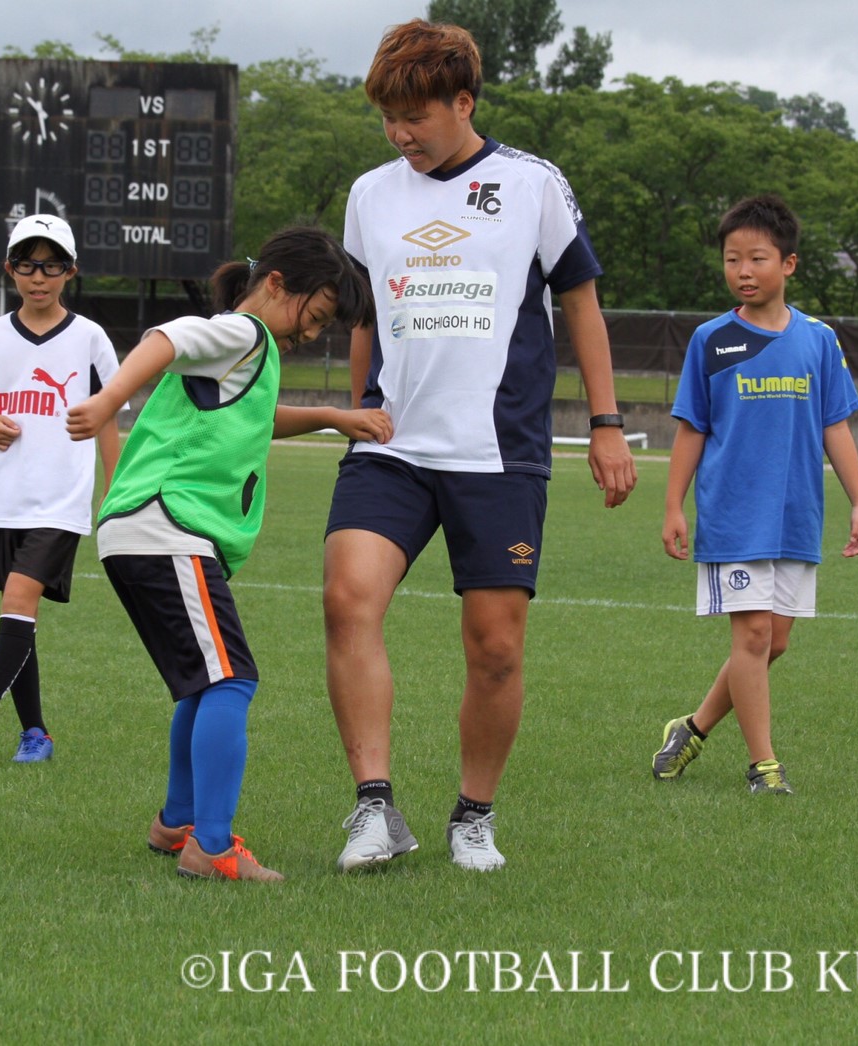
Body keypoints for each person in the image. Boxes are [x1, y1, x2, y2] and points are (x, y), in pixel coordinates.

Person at [324, 19, 638, 874]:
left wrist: (605, 424)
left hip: (498, 450)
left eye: (415, 116)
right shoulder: (369, 195)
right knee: (349, 600)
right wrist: (357, 411)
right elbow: (361, 317)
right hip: (390, 443)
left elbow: (581, 305)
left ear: (463, 102)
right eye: (388, 119)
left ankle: (473, 815)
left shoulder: (532, 184)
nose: (400, 135)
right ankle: (375, 808)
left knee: (495, 646)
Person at [66, 227, 382, 882]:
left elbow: (254, 416)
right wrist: (106, 401)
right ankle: (210, 845)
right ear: (274, 285)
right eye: (316, 315)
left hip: (143, 531)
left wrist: (330, 416)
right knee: (232, 681)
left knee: (203, 684)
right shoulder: (244, 334)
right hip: (167, 527)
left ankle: (176, 821)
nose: (312, 333)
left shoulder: (247, 359)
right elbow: (167, 340)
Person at [654, 194, 858, 795]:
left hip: (796, 513)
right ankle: (764, 767)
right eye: (731, 260)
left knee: (775, 640)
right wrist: (674, 504)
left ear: (790, 264)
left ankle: (692, 728)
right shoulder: (711, 339)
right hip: (732, 512)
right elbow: (692, 427)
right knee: (750, 637)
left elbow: (836, 425)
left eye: (757, 258)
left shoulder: (819, 340)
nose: (743, 271)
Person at [0, 214, 121, 763]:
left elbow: (110, 418)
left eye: (52, 266)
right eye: (27, 265)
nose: (39, 277)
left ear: (71, 271)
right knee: (21, 616)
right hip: (5, 497)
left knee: (18, 601)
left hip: (61, 501)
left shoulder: (90, 338)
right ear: (9, 268)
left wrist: (118, 491)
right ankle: (36, 733)